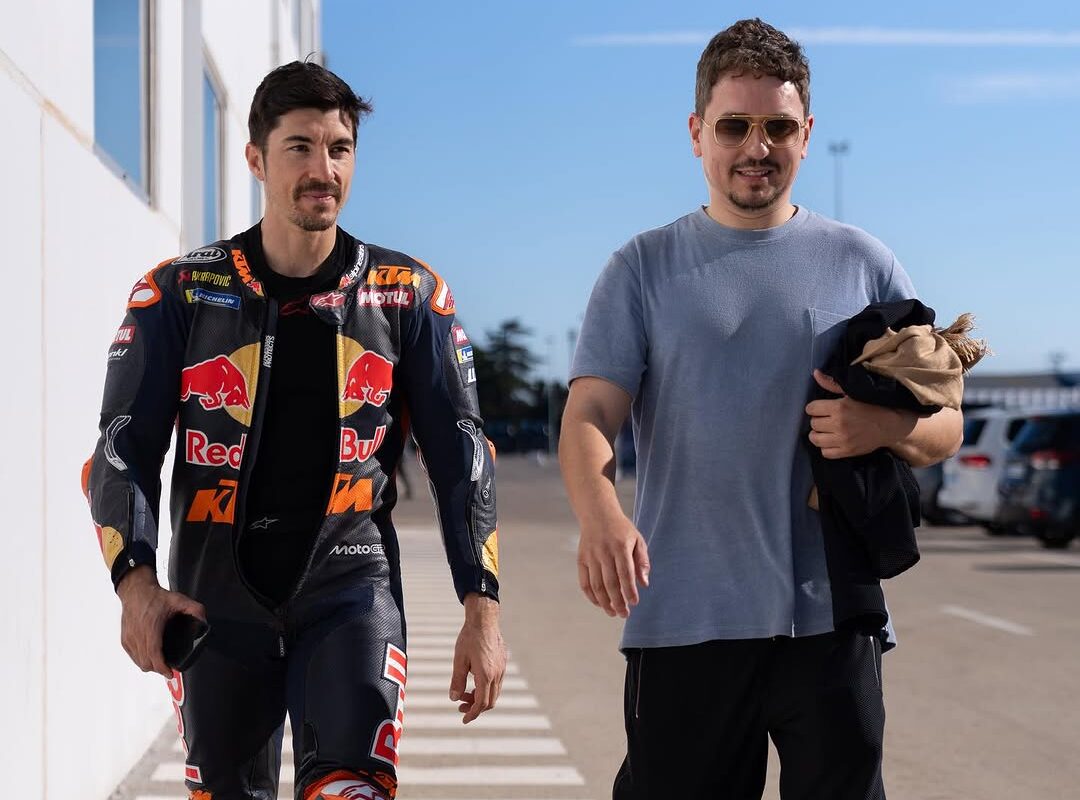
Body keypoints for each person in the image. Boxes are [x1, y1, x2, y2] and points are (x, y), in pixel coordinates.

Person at [558, 18, 962, 800]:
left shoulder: (865, 263)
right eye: (733, 126)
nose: (757, 146)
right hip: (686, 615)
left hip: (834, 616)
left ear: (806, 134)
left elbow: (948, 421)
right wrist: (600, 514)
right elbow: (589, 413)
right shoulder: (642, 268)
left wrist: (885, 427)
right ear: (696, 134)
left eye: (777, 127)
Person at [82, 61, 505, 800]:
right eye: (300, 147)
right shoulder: (180, 291)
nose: (323, 170)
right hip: (216, 606)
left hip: (352, 595)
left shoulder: (409, 296)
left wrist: (483, 608)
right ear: (256, 158)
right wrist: (135, 587)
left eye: (340, 148)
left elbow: (463, 455)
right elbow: (121, 452)